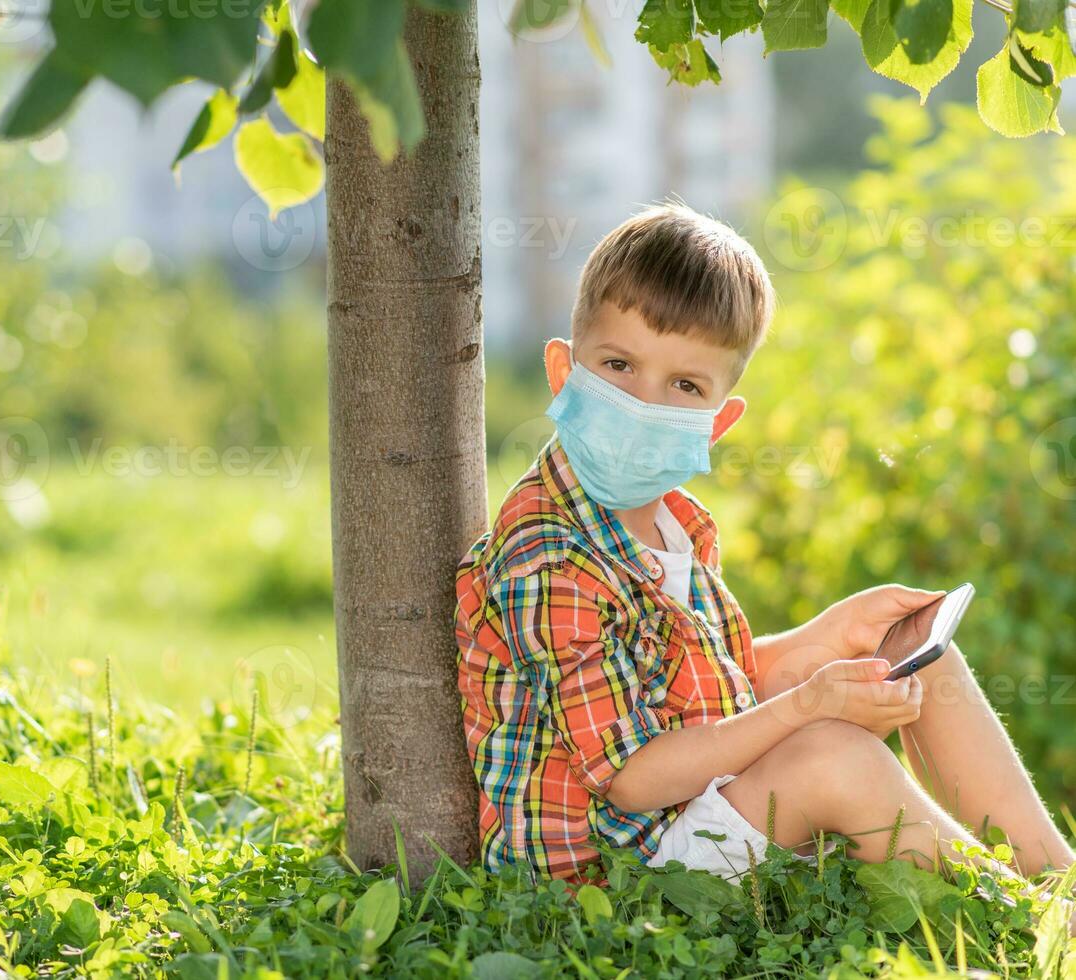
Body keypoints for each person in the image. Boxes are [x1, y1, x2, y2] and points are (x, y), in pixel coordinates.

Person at [454, 203, 1073, 886]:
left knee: (911, 654)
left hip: (684, 816)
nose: (644, 402)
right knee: (832, 756)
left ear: (718, 423)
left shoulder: (671, 519)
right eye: (620, 365)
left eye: (684, 385)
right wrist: (810, 704)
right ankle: (1021, 913)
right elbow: (630, 777)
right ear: (563, 371)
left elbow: (701, 692)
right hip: (615, 871)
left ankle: (1056, 880)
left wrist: (831, 636)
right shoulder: (548, 556)